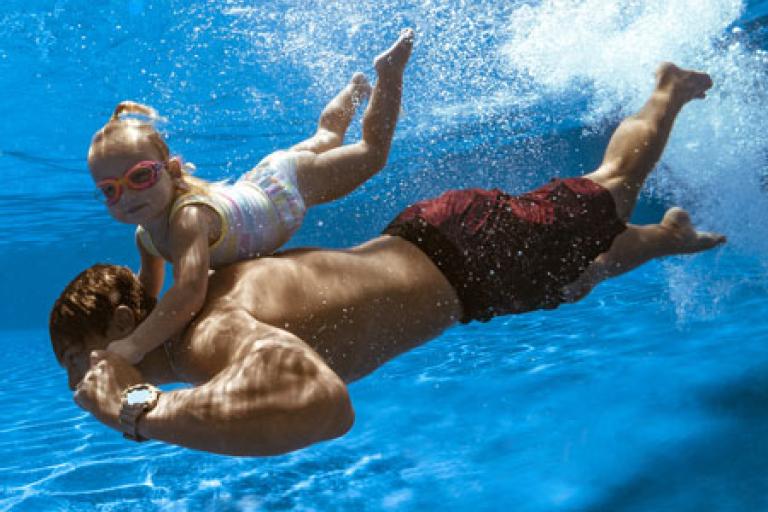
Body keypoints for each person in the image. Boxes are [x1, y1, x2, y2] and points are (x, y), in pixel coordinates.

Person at [50, 62, 725, 456]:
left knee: (610, 190)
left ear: (118, 335)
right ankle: (668, 236)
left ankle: (666, 87)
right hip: (456, 267)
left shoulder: (206, 332)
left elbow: (319, 404)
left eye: (81, 361)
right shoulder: (182, 300)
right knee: (572, 277)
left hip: (467, 253)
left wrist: (133, 406)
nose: (82, 384)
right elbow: (160, 282)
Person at [90, 29, 414, 365]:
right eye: (110, 190)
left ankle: (389, 73)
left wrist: (135, 346)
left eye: (140, 176)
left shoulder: (188, 219)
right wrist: (124, 329)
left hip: (286, 189)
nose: (126, 196)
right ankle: (354, 91)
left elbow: (189, 292)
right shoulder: (146, 237)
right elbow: (148, 293)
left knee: (371, 153)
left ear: (172, 170)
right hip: (264, 177)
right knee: (327, 136)